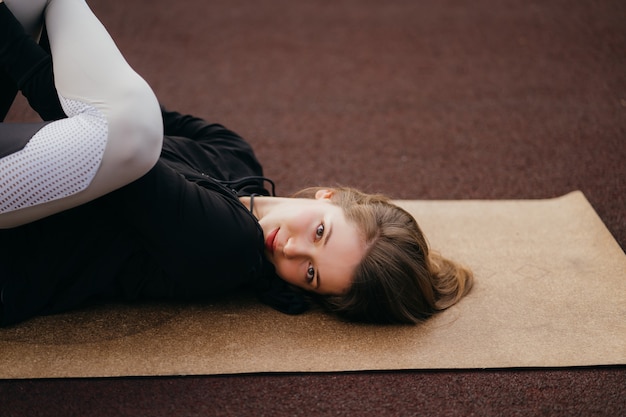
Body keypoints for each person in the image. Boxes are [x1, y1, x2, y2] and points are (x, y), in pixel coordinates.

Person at [0, 0, 473, 327]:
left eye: (311, 273)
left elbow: (89, 122)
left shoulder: (226, 250)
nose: (291, 249)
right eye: (320, 233)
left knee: (133, 134)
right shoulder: (235, 154)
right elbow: (91, 95)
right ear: (330, 197)